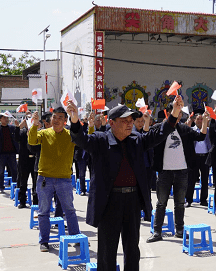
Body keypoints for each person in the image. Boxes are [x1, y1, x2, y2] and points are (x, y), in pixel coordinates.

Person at [69, 97, 183, 271]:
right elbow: (80, 139)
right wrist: (75, 119)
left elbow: (159, 134)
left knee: (132, 249)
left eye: (131, 120)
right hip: (109, 202)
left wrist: (174, 112)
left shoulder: (136, 140)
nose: (130, 124)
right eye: (125, 121)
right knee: (107, 251)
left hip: (132, 201)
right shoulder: (100, 140)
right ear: (111, 123)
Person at [147, 103, 208, 243]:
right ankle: (157, 232)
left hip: (182, 171)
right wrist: (145, 121)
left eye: (180, 112)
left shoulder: (184, 128)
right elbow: (147, 136)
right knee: (161, 203)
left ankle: (179, 230)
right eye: (175, 112)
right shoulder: (159, 128)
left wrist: (204, 122)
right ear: (169, 113)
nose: (178, 115)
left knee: (180, 203)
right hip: (164, 172)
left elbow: (200, 137)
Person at [28, 107, 80, 252]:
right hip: (45, 178)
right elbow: (32, 141)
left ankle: (76, 237)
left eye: (59, 118)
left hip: (64, 179)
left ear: (65, 121)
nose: (56, 120)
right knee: (44, 211)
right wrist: (34, 124)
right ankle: (44, 241)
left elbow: (85, 139)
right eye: (54, 117)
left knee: (69, 210)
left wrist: (79, 119)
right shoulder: (44, 133)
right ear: (50, 119)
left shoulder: (71, 135)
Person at [185, 108, 211, 207]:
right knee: (191, 179)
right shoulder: (191, 130)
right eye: (198, 119)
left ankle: (203, 199)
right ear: (195, 120)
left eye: (201, 119)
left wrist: (209, 119)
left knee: (204, 180)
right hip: (194, 157)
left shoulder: (207, 130)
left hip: (205, 157)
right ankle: (188, 199)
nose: (200, 121)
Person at [18, 113, 37, 208]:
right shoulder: (22, 132)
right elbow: (16, 138)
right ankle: (22, 201)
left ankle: (36, 201)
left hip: (34, 160)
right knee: (23, 181)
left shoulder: (37, 132)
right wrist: (19, 127)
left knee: (36, 182)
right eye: (28, 119)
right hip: (24, 160)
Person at [1, 111, 20, 193]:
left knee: (14, 170)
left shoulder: (12, 128)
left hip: (11, 153)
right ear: (0, 119)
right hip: (1, 154)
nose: (6, 119)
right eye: (4, 118)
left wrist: (17, 126)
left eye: (7, 118)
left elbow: (17, 134)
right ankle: (1, 187)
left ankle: (16, 186)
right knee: (1, 171)